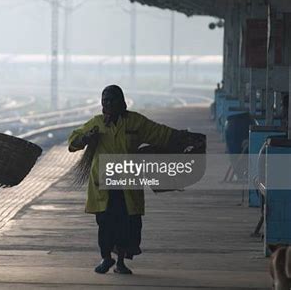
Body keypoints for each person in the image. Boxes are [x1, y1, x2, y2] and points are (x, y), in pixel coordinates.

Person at [68, 85, 203, 275]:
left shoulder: (136, 122)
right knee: (105, 224)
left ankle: (121, 262)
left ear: (122, 102)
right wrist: (85, 138)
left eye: (112, 99)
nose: (108, 103)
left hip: (128, 184)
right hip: (103, 184)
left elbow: (160, 133)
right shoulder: (96, 124)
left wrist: (184, 137)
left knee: (127, 224)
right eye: (105, 100)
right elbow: (73, 141)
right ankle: (106, 258)